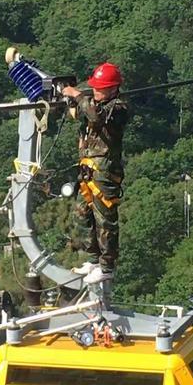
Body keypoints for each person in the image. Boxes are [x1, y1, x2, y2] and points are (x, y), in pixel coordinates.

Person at [62, 62, 128, 284]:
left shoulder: (118, 108)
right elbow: (87, 116)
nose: (96, 91)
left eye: (100, 88)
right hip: (88, 169)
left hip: (105, 171)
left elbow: (96, 116)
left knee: (105, 220)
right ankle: (93, 258)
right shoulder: (94, 104)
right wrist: (73, 102)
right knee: (82, 214)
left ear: (112, 89)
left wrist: (77, 94)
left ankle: (107, 266)